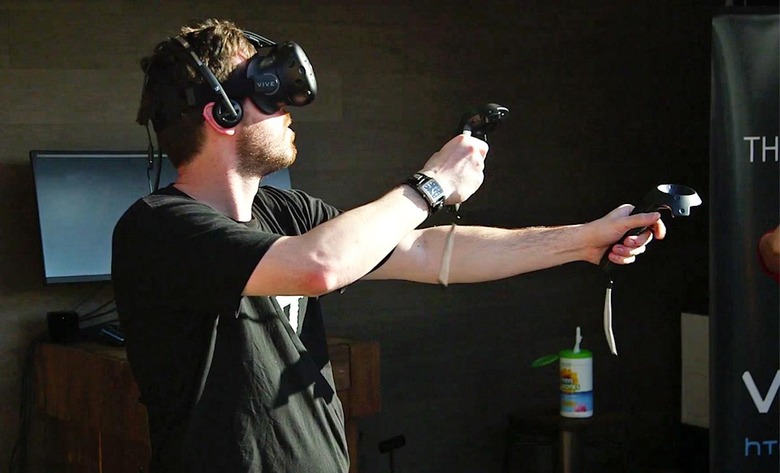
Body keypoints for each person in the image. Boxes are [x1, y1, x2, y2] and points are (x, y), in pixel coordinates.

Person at [112, 18, 667, 473]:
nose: (288, 112)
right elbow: (319, 266)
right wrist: (431, 185)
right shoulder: (158, 228)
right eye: (269, 94)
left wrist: (583, 240)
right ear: (221, 115)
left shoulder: (286, 212)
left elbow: (423, 251)